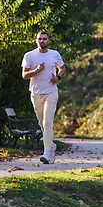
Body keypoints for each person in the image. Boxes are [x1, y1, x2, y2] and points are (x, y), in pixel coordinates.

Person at [21, 31, 66, 164]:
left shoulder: (54, 54)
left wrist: (57, 77)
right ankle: (51, 146)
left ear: (48, 41)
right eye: (40, 39)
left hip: (51, 92)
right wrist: (37, 70)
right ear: (36, 41)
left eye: (44, 39)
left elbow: (62, 68)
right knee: (42, 123)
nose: (42, 41)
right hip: (35, 94)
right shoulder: (30, 56)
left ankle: (46, 153)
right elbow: (24, 75)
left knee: (47, 122)